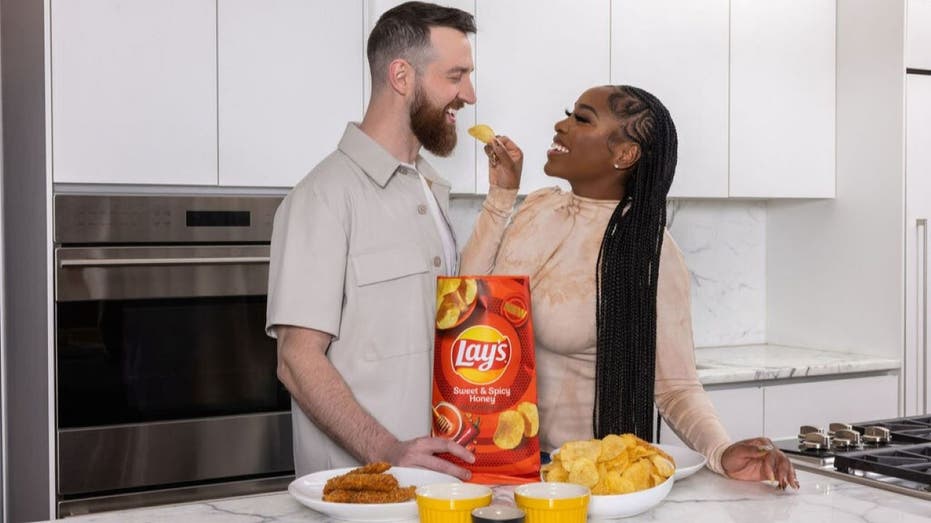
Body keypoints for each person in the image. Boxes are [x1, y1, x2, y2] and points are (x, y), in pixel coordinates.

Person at [460, 85, 799, 489]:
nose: (560, 125)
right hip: (501, 465)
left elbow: (676, 387)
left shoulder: (648, 253)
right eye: (570, 113)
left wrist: (721, 450)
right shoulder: (538, 206)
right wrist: (501, 195)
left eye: (581, 119)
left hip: (587, 482)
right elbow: (470, 303)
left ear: (624, 154)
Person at [266, 2, 494, 480]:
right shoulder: (322, 197)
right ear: (401, 75)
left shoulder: (430, 193)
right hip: (360, 496)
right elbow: (296, 358)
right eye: (456, 76)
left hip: (435, 487)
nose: (469, 95)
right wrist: (387, 449)